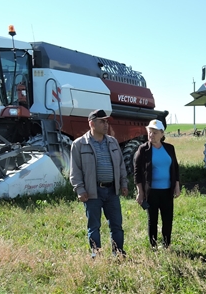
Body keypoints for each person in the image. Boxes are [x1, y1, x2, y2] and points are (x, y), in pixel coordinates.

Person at [69, 109, 129, 257]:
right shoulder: (79, 144)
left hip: (112, 190)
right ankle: (97, 255)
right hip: (92, 191)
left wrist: (124, 183)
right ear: (92, 123)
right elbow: (74, 170)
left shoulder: (112, 141)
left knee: (116, 225)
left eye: (106, 121)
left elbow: (121, 165)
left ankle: (119, 253)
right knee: (94, 226)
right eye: (102, 121)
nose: (106, 124)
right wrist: (80, 189)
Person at [134, 119, 181, 249]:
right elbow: (137, 172)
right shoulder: (143, 150)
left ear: (161, 133)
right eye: (150, 132)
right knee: (152, 219)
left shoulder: (169, 148)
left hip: (167, 191)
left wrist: (176, 186)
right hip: (151, 191)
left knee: (167, 219)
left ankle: (166, 245)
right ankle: (153, 246)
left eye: (154, 132)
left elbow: (175, 168)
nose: (151, 135)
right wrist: (140, 192)